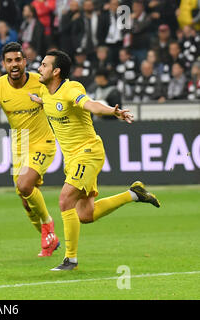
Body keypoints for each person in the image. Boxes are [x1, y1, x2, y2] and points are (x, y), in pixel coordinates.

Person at [31, 50, 161, 271]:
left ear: (56, 71)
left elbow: (90, 105)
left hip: (88, 152)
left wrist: (112, 111)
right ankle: (133, 194)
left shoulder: (71, 89)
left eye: (44, 65)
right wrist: (39, 101)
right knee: (85, 215)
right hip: (72, 158)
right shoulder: (45, 91)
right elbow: (49, 101)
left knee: (65, 200)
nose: (39, 68)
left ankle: (70, 260)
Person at [0, 42, 60, 257]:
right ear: (4, 64)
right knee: (26, 201)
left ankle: (48, 225)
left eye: (18, 60)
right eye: (9, 61)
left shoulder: (40, 82)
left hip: (43, 141)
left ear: (25, 61)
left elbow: (60, 102)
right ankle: (49, 241)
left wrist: (47, 103)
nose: (14, 64)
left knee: (25, 185)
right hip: (20, 144)